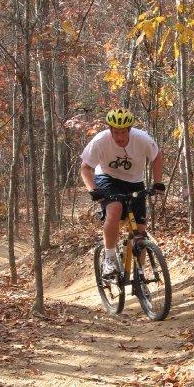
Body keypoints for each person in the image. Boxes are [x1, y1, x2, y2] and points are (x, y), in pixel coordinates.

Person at [80, 107, 165, 277]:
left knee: (139, 232)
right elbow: (85, 167)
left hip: (134, 182)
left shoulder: (142, 139)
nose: (119, 137)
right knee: (115, 208)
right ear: (110, 129)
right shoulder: (100, 141)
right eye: (115, 133)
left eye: (123, 133)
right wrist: (93, 190)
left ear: (129, 130)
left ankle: (139, 275)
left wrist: (157, 183)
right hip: (107, 178)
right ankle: (109, 259)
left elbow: (156, 156)